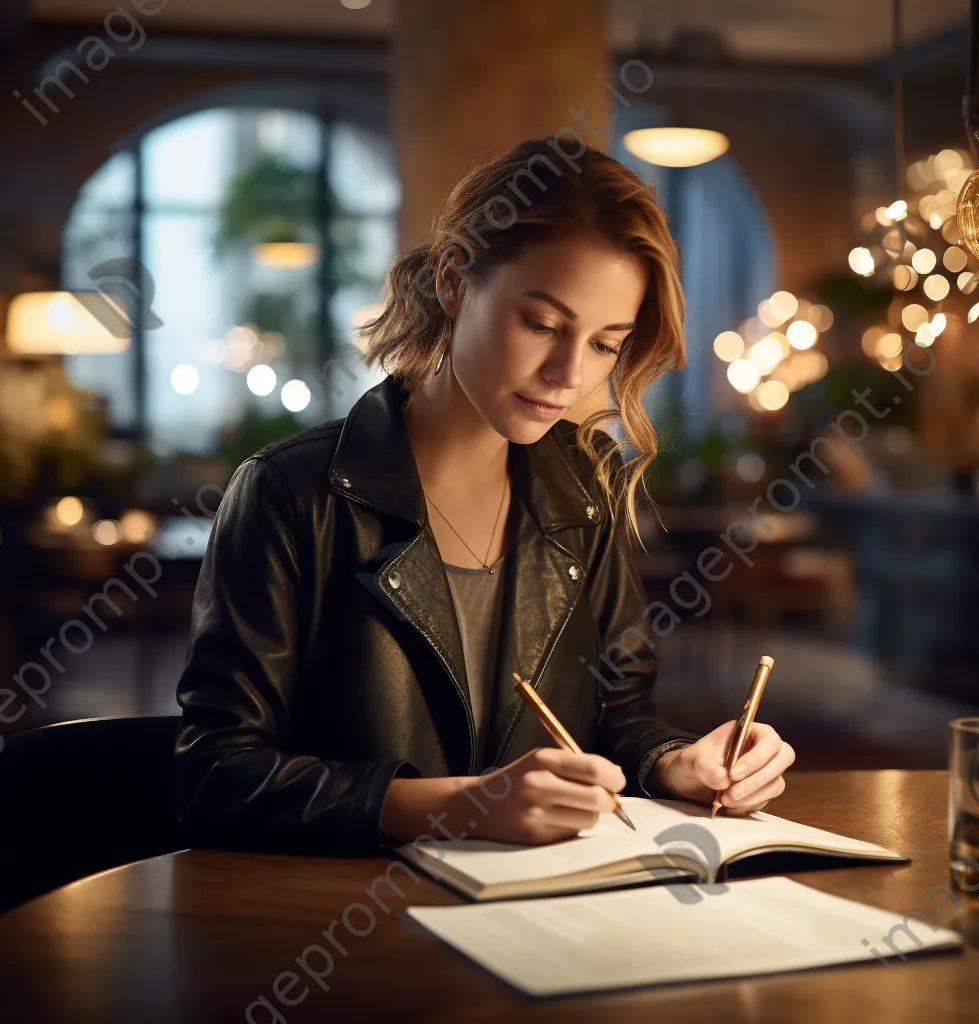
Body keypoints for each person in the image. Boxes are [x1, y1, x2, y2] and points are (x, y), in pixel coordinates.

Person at [173, 135, 795, 856]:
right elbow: (214, 776)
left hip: (546, 922)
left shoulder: (584, 489)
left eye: (604, 343)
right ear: (452, 282)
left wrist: (673, 762)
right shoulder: (289, 494)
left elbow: (617, 714)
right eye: (542, 324)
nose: (569, 373)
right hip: (341, 925)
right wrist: (462, 805)